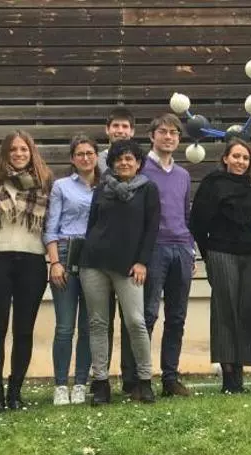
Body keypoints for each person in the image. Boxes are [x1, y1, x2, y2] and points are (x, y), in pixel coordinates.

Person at [79, 139, 160, 405]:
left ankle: (144, 381)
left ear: (138, 163)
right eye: (119, 159)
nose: (124, 163)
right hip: (94, 263)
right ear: (112, 163)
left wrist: (142, 262)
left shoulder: (148, 189)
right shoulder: (102, 188)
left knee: (136, 322)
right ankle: (101, 383)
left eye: (129, 159)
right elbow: (92, 224)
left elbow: (151, 229)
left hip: (129, 267)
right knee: (98, 323)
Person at [0, 130, 53, 412]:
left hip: (32, 260)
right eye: (13, 150)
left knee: (24, 330)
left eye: (24, 149)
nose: (19, 154)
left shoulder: (43, 184)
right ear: (5, 153)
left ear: (31, 152)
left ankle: (15, 393)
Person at [189, 139, 251, 394]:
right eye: (236, 156)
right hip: (221, 252)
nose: (241, 162)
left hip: (249, 255)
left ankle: (240, 373)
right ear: (225, 158)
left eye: (245, 158)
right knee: (225, 311)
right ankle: (228, 376)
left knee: (246, 311)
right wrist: (207, 254)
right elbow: (197, 222)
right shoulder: (213, 183)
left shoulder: (249, 188)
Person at [136, 113, 194, 398]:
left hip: (181, 248)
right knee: (147, 315)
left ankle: (170, 377)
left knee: (177, 317)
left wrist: (190, 249)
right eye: (163, 131)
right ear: (152, 136)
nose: (169, 137)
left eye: (174, 133)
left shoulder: (183, 174)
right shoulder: (141, 170)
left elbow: (185, 213)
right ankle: (141, 378)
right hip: (154, 249)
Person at [44, 135, 99, 406]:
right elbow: (51, 228)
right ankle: (60, 385)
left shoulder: (105, 187)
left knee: (88, 326)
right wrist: (55, 263)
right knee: (65, 327)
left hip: (94, 257)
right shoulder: (61, 186)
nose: (85, 158)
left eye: (90, 153)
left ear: (96, 157)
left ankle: (80, 383)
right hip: (66, 253)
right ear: (72, 159)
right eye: (80, 154)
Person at [97, 106, 136, 393]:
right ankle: (101, 378)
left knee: (131, 318)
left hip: (129, 249)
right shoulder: (94, 160)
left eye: (125, 126)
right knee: (101, 319)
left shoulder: (137, 161)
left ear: (132, 131)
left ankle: (131, 378)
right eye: (115, 126)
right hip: (99, 247)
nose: (120, 131)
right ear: (107, 130)